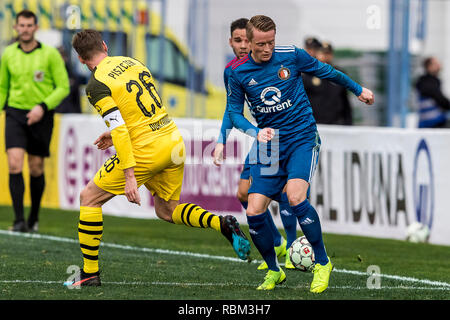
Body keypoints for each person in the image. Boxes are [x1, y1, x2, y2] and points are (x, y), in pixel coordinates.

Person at [70, 29, 251, 286]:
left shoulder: (96, 85)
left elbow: (121, 127)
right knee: (167, 210)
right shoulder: (132, 62)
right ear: (105, 45)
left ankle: (89, 274)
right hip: (172, 141)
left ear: (80, 59)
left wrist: (130, 175)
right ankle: (221, 223)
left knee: (88, 198)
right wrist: (116, 133)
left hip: (146, 149)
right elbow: (139, 109)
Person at [226, 15, 374, 292]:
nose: (267, 48)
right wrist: (253, 131)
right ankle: (274, 270)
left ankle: (322, 262)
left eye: (271, 42)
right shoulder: (237, 72)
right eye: (260, 44)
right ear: (249, 41)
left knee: (295, 197)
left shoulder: (291, 55)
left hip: (302, 138)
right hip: (270, 145)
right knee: (254, 209)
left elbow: (327, 71)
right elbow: (234, 111)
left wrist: (358, 89)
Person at [213, 18, 297, 270]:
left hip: (282, 136)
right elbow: (232, 110)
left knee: (284, 192)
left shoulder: (267, 62)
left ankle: (292, 249)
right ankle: (278, 242)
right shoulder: (232, 71)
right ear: (231, 42)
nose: (242, 45)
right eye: (237, 40)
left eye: (246, 40)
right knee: (242, 193)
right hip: (262, 136)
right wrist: (221, 140)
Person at [0, 10, 70, 232]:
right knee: (14, 162)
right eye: (22, 25)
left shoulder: (50, 55)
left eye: (30, 25)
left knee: (36, 167)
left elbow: (63, 87)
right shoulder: (8, 54)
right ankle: (19, 220)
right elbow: (3, 87)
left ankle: (34, 218)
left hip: (42, 115)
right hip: (14, 114)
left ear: (36, 28)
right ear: (16, 28)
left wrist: (42, 106)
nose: (25, 29)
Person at [303, 41, 353, 125]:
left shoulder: (339, 74)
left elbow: (345, 101)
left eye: (328, 53)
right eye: (322, 53)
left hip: (337, 123)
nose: (325, 57)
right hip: (316, 124)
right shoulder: (307, 75)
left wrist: (348, 123)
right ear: (317, 54)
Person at [415, 56, 450, 128]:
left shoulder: (425, 81)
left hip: (429, 122)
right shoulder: (428, 82)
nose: (439, 65)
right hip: (432, 123)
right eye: (436, 64)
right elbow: (441, 100)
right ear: (429, 67)